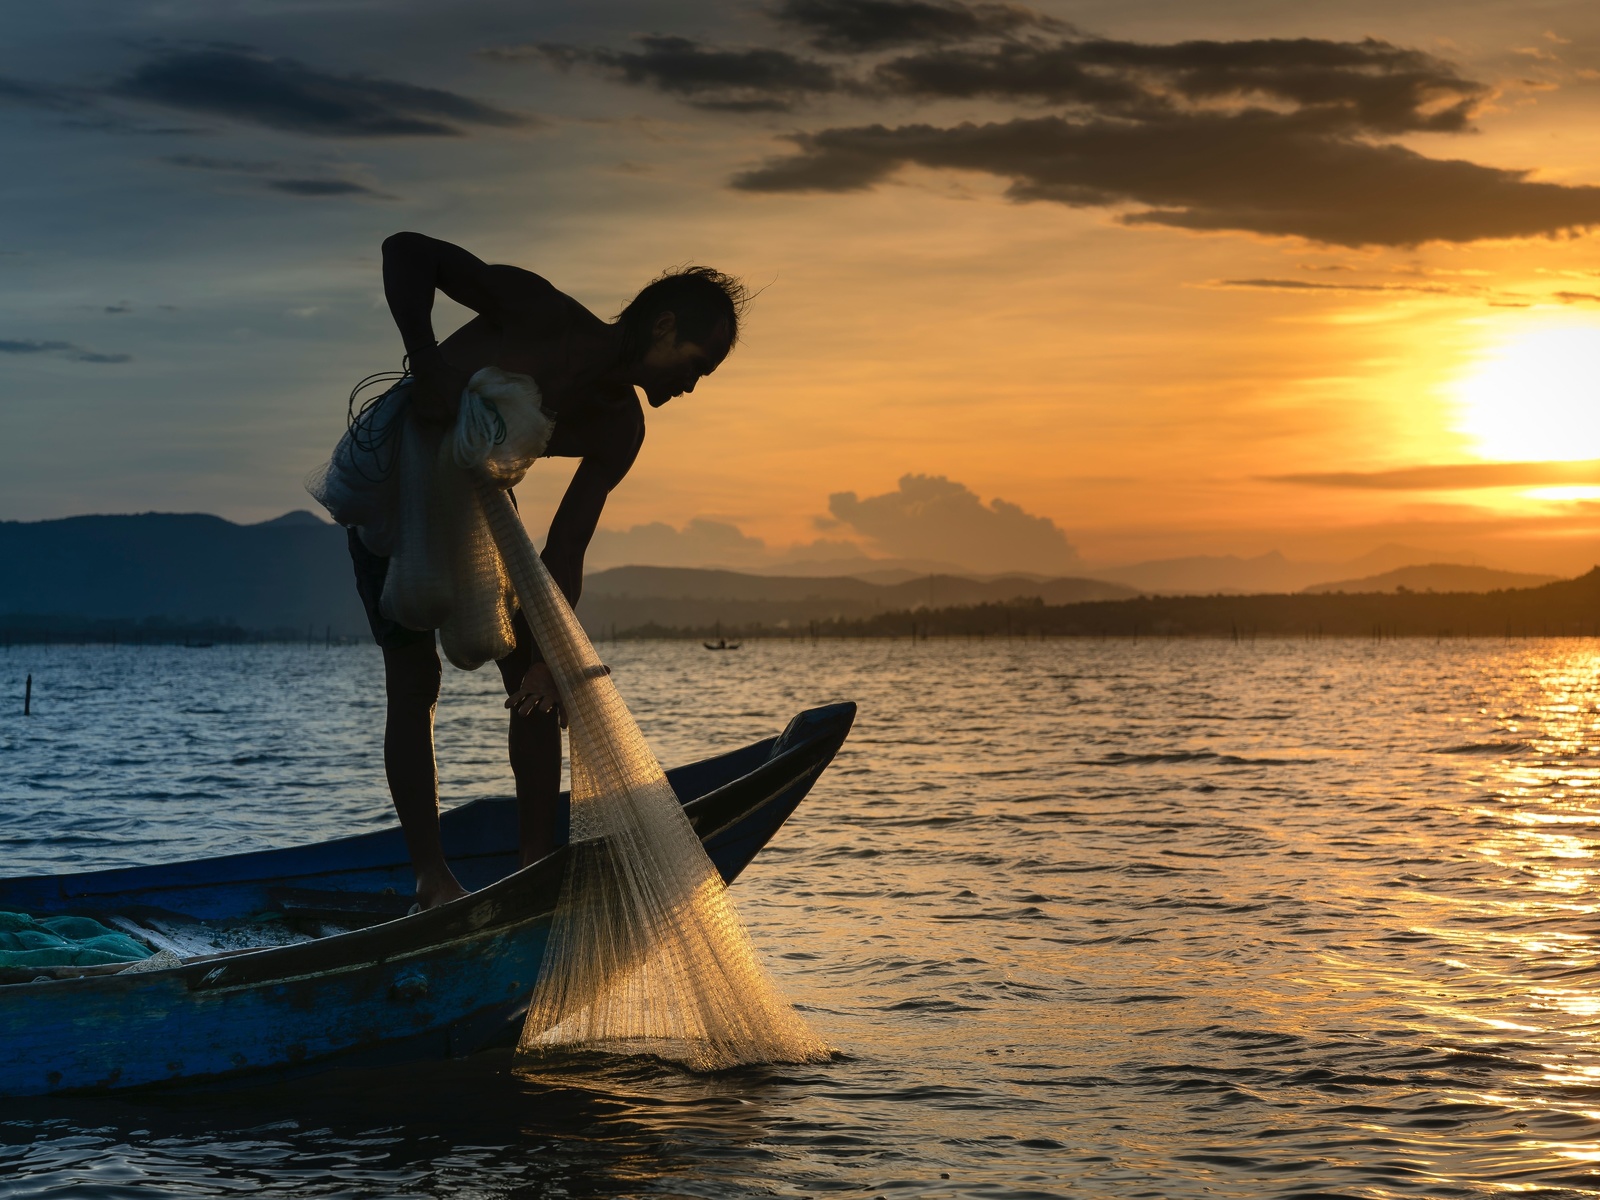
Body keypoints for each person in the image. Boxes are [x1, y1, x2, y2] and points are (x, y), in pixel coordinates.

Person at [357, 232, 741, 910]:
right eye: (694, 363)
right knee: (414, 676)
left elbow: (565, 551)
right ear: (663, 324)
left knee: (539, 668)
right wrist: (428, 363)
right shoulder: (539, 315)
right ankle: (430, 879)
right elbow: (406, 251)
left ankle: (533, 862)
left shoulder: (618, 427)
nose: (690, 384)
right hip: (397, 486)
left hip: (476, 511)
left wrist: (551, 662)